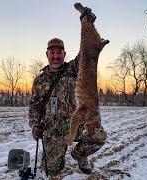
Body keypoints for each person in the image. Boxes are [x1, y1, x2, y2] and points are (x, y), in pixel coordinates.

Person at [28, 38, 107, 176]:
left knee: (98, 135)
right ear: (47, 54)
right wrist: (35, 126)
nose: (56, 56)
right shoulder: (39, 81)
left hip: (75, 127)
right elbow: (34, 107)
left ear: (64, 54)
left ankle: (79, 155)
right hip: (52, 132)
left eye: (59, 52)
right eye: (52, 52)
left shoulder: (74, 69)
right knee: (51, 170)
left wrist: (86, 22)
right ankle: (53, 154)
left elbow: (86, 53)